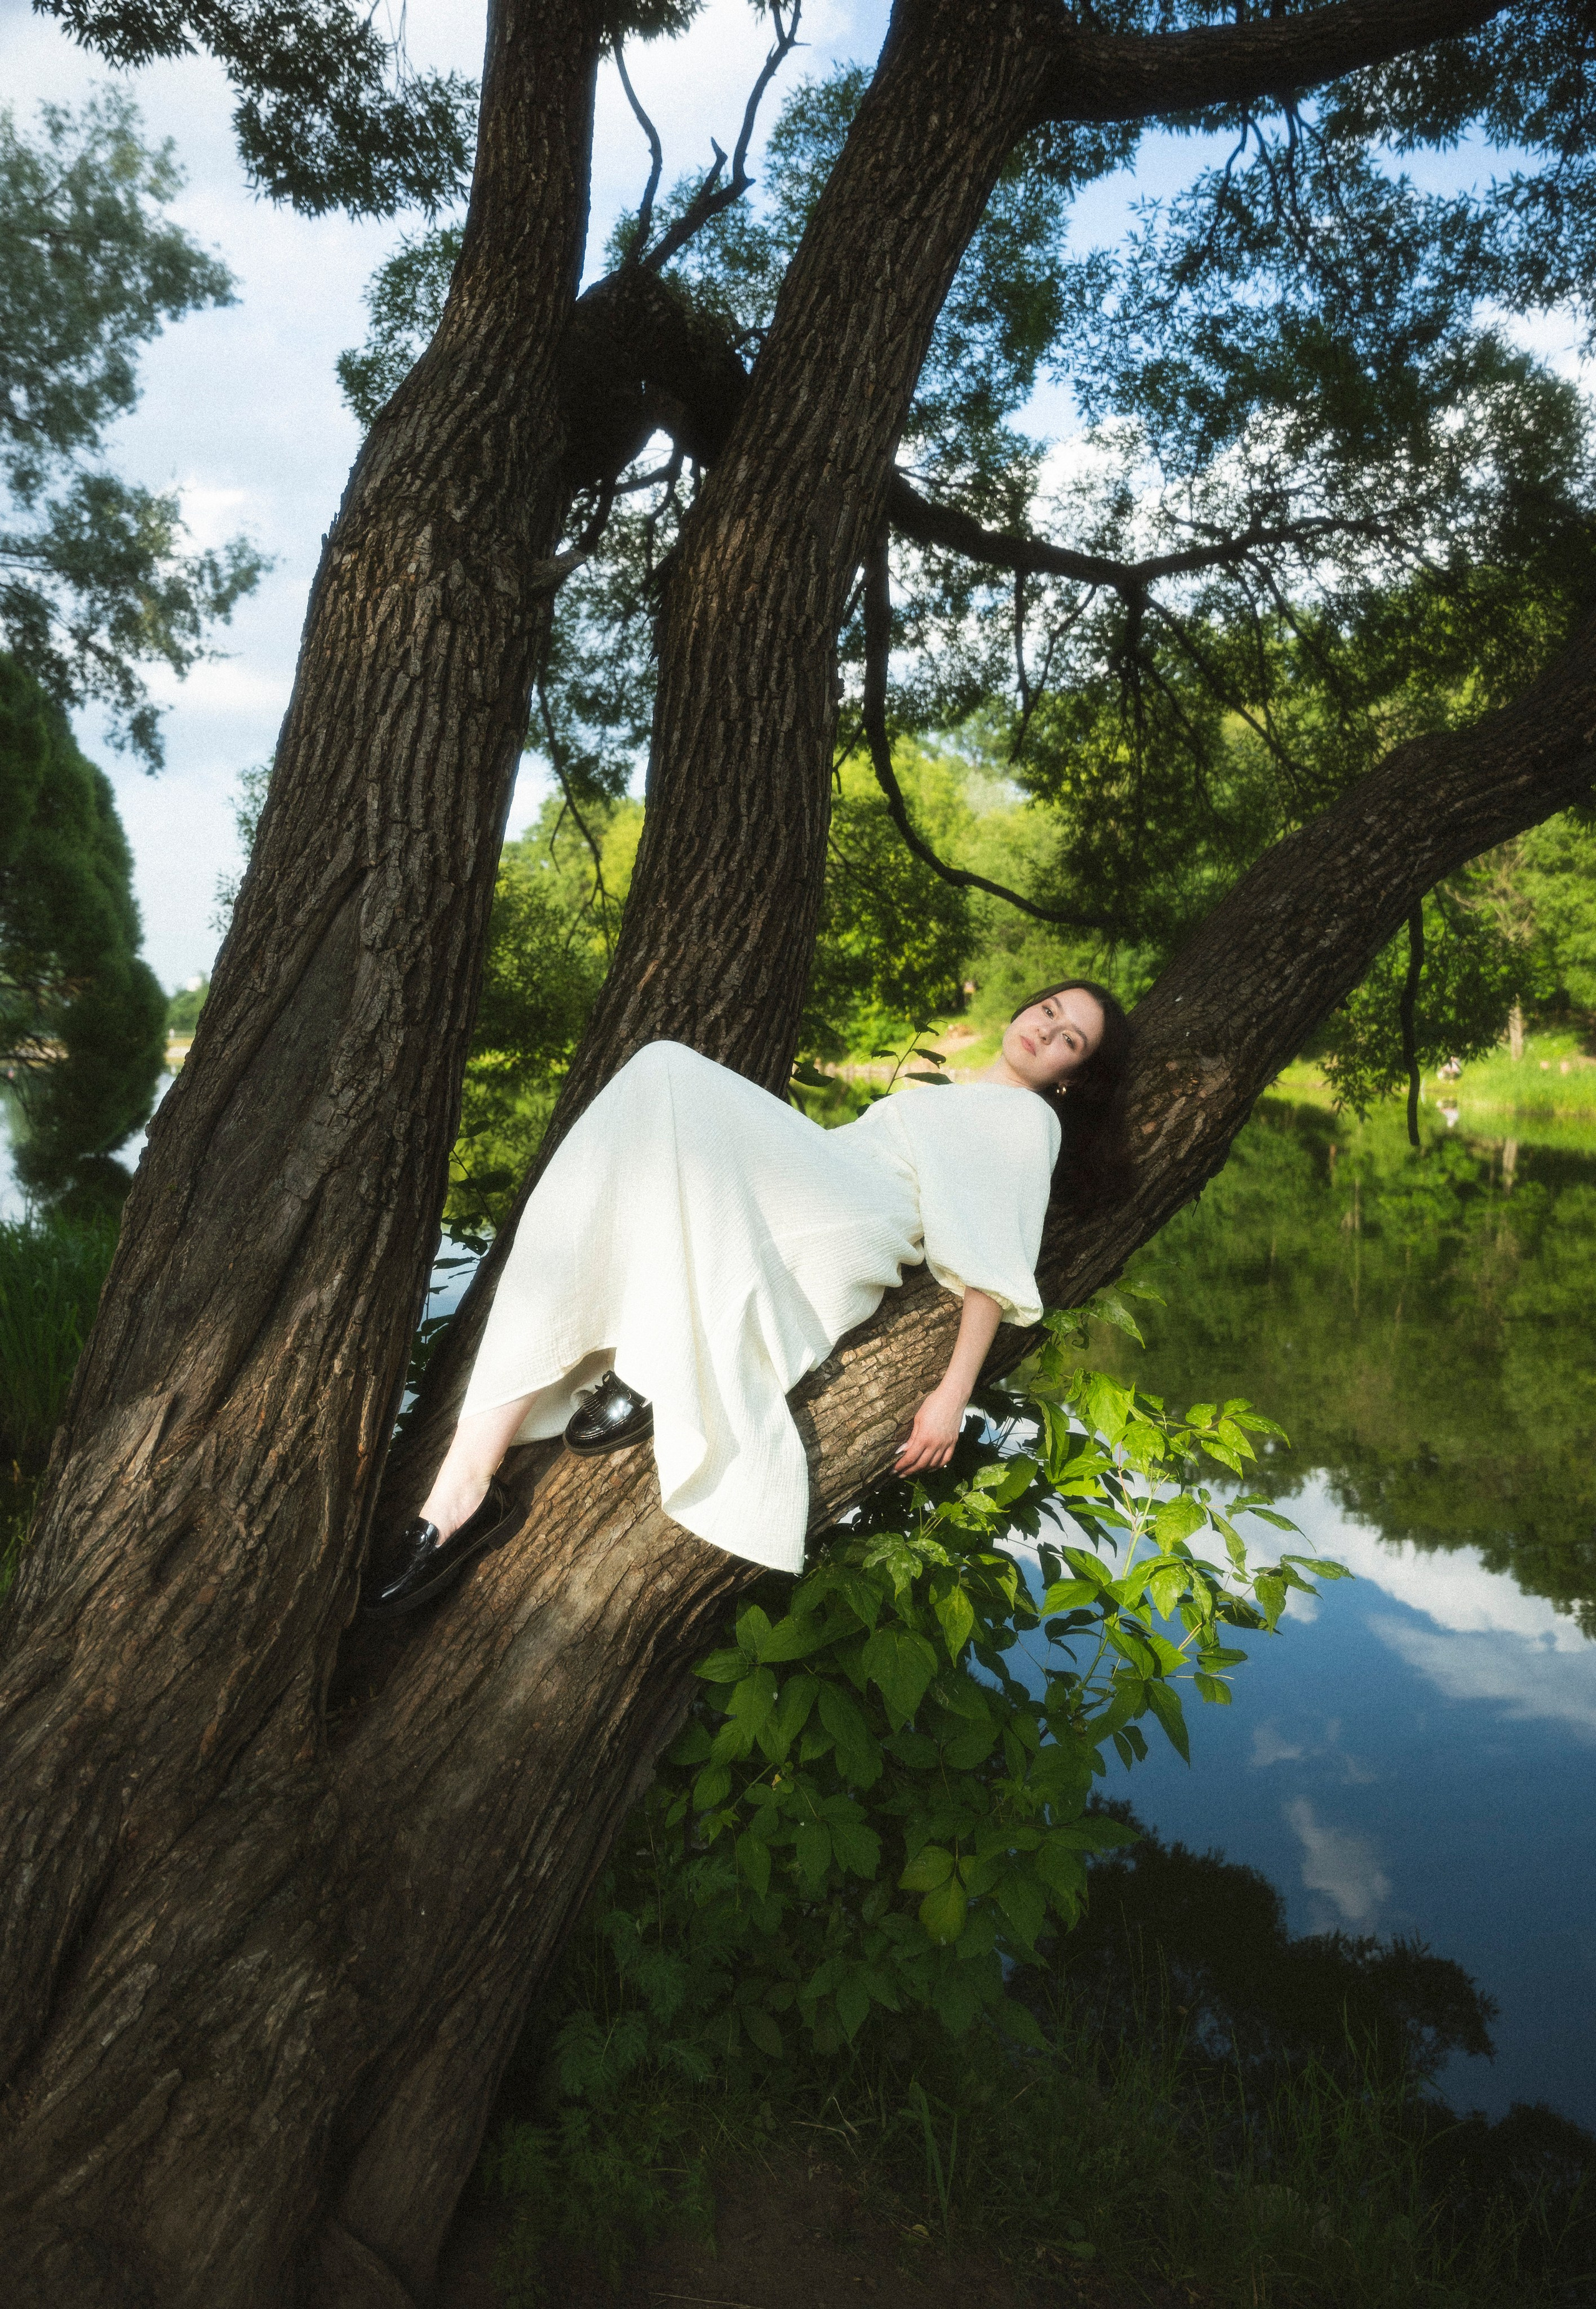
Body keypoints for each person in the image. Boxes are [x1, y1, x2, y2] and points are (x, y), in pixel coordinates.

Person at [367, 981, 1129, 1616]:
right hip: (824, 1180)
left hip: (845, 1221)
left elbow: (994, 1264)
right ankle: (461, 1491)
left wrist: (950, 1394)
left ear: (1073, 1076)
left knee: (666, 1068)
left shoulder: (1029, 1122)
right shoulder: (960, 1094)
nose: (1047, 1028)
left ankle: (650, 1368)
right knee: (632, 1141)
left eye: (1070, 1039)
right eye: (1050, 1010)